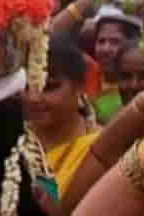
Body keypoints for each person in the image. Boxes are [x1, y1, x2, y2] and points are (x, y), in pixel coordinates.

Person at [25, 34, 98, 200]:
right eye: (27, 86)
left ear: (79, 87)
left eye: (49, 86)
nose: (34, 98)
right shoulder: (9, 141)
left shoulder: (100, 147)